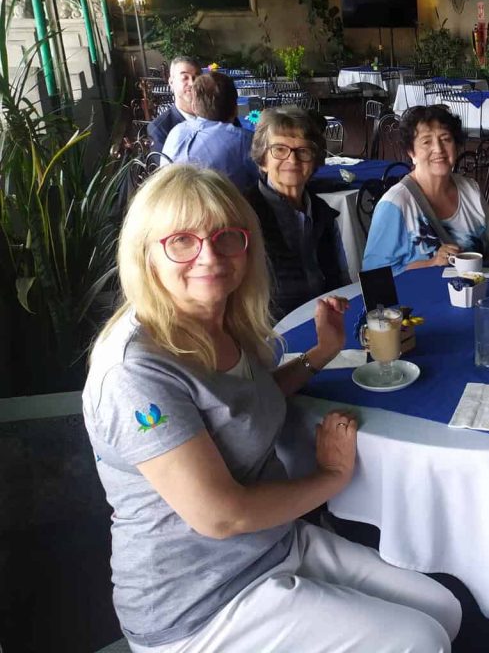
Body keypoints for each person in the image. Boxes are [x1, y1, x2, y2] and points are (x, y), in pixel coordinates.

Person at [83, 165, 461, 652]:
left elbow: (243, 405)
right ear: (146, 254)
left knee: (442, 609)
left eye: (226, 237)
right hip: (197, 604)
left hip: (272, 545)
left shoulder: (221, 319)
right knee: (418, 640)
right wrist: (331, 476)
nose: (209, 256)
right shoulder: (135, 372)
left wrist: (320, 354)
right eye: (182, 241)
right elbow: (220, 517)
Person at [362, 105, 489, 273]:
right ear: (411, 152)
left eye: (446, 139)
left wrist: (475, 266)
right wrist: (431, 263)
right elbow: (373, 274)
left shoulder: (471, 190)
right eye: (427, 142)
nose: (439, 149)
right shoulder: (395, 204)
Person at [245, 105, 348, 319]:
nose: (292, 160)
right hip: (270, 329)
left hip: (325, 321)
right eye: (279, 150)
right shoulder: (244, 215)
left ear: (315, 160)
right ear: (263, 160)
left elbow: (340, 280)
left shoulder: (323, 213)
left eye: (303, 151)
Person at [163, 71, 258, 191]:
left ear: (194, 107)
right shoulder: (244, 140)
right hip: (221, 203)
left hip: (168, 200)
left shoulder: (175, 131)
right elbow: (267, 180)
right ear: (235, 109)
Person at [147, 56, 200, 152]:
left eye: (196, 77)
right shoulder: (160, 128)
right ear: (171, 82)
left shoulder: (215, 115)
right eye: (185, 78)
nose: (192, 83)